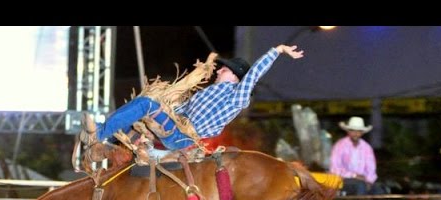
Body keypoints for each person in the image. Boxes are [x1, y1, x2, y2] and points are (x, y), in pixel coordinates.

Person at [81, 44, 304, 151]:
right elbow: (179, 112)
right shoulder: (206, 94)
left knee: (145, 104)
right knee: (143, 113)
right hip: (176, 129)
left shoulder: (237, 97)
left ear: (236, 78)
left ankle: (99, 135)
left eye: (224, 70)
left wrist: (278, 50)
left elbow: (253, 74)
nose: (218, 71)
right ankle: (108, 145)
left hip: (183, 138)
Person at [330, 116, 386, 200]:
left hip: (363, 180)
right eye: (353, 131)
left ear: (362, 133)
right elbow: (335, 169)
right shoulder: (340, 146)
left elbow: (371, 168)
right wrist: (354, 175)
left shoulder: (366, 147)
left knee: (379, 188)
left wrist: (369, 181)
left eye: (358, 131)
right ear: (349, 131)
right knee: (361, 186)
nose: (356, 134)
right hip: (344, 180)